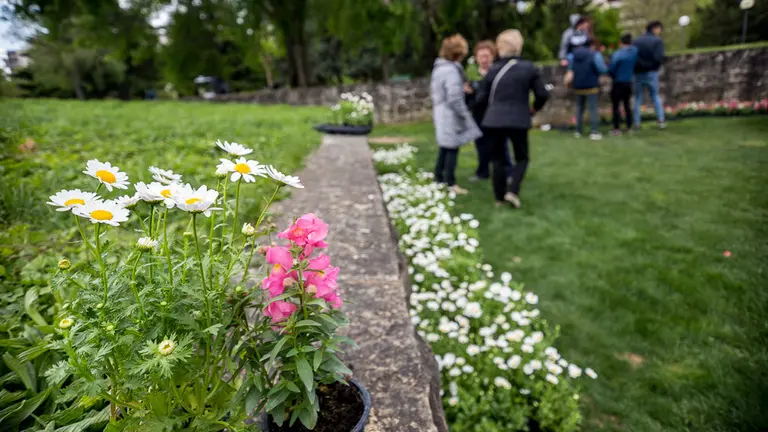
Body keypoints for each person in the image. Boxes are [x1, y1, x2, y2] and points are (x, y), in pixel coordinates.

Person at [474, 29, 549, 208]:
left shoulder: (493, 70)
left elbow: (481, 99)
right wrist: (534, 109)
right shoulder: (528, 68)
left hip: (494, 119)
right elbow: (542, 94)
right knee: (521, 157)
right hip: (518, 117)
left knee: (497, 159)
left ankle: (499, 198)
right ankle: (513, 190)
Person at [430, 34, 482, 195]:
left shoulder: (439, 68)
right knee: (452, 147)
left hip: (440, 111)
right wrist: (464, 114)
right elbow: (454, 97)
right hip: (450, 114)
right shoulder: (451, 71)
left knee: (445, 146)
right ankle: (450, 183)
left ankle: (438, 177)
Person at [467, 40, 513, 182]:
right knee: (481, 144)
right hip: (478, 114)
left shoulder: (499, 73)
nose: (484, 60)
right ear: (476, 58)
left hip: (496, 113)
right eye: (481, 56)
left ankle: (508, 172)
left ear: (493, 56)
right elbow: (468, 97)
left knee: (501, 144)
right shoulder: (472, 75)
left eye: (487, 56)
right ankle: (483, 171)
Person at [568, 37, 608, 140]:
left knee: (579, 108)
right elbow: (601, 68)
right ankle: (594, 131)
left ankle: (578, 131)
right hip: (591, 84)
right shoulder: (594, 54)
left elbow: (571, 68)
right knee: (593, 108)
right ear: (592, 45)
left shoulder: (574, 54)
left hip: (578, 84)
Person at [633, 20, 666, 129]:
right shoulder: (657, 41)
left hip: (638, 72)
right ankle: (660, 120)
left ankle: (637, 123)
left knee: (638, 98)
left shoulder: (637, 41)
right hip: (652, 71)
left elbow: (633, 56)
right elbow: (659, 57)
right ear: (654, 28)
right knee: (655, 95)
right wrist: (654, 66)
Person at [608, 33, 638, 135]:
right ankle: (629, 127)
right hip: (629, 81)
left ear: (621, 42)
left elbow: (612, 68)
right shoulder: (634, 52)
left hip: (618, 82)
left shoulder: (618, 54)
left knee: (616, 106)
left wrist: (612, 75)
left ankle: (617, 128)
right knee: (627, 104)